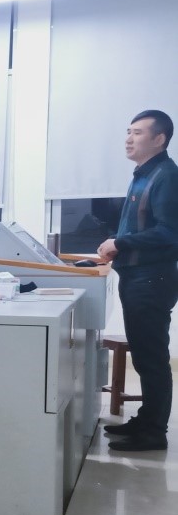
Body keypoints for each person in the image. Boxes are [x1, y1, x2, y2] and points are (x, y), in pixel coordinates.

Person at [98, 110, 178, 452]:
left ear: (159, 139)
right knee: (145, 357)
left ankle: (154, 432)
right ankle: (146, 421)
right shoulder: (145, 174)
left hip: (151, 279)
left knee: (151, 358)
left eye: (138, 133)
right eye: (128, 131)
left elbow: (170, 232)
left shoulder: (166, 176)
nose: (129, 139)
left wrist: (121, 243)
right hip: (138, 277)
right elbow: (140, 227)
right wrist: (116, 245)